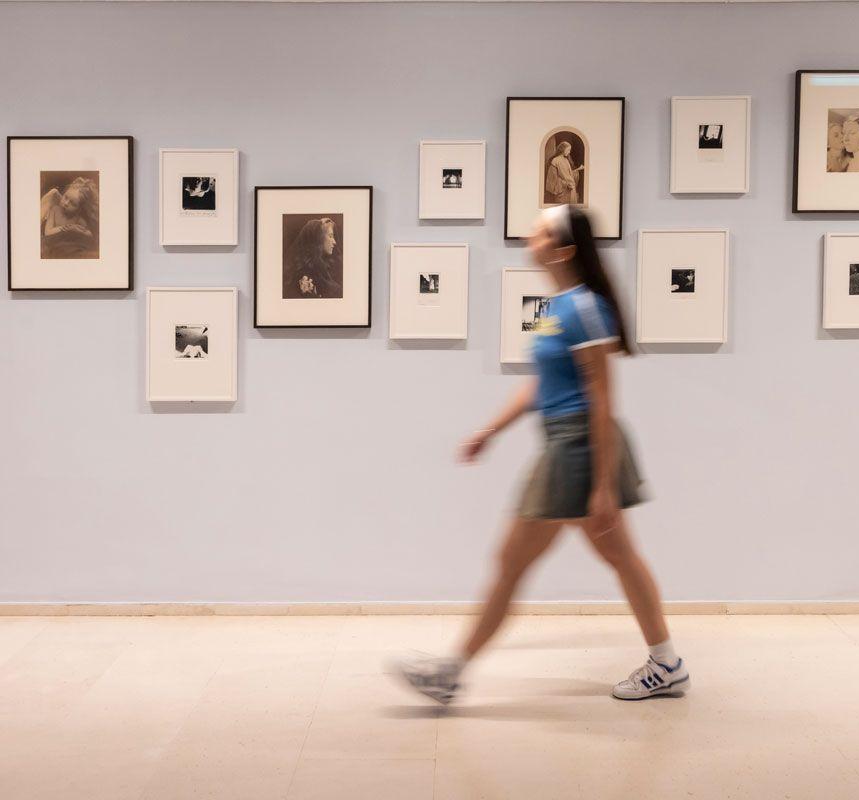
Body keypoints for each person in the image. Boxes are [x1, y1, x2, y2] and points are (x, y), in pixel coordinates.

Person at [395, 205, 689, 704]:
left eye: (539, 232)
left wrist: (599, 483)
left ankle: (450, 672)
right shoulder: (555, 310)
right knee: (615, 555)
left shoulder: (586, 307)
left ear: (563, 249)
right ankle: (666, 663)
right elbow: (540, 386)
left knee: (514, 560)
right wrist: (491, 430)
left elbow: (602, 393)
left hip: (580, 445)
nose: (529, 237)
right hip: (562, 442)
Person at [40, 175, 99, 259]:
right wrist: (67, 228)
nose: (66, 203)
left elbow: (89, 234)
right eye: (65, 197)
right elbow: (47, 232)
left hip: (69, 248)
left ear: (79, 209)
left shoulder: (78, 218)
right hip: (52, 245)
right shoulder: (54, 210)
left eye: (73, 204)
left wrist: (77, 230)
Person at [283, 217, 341, 299]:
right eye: (330, 236)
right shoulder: (307, 275)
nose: (334, 242)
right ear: (319, 239)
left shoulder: (322, 268)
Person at [545, 141, 583, 205]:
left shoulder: (565, 160)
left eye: (569, 150)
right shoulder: (556, 160)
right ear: (563, 149)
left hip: (569, 189)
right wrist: (567, 184)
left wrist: (577, 170)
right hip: (562, 191)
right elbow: (555, 178)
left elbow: (568, 174)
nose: (569, 152)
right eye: (568, 150)